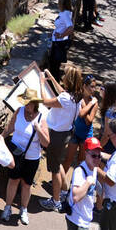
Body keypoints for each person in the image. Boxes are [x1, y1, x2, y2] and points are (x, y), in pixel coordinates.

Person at [42, 138, 102, 230]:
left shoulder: (93, 168)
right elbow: (75, 196)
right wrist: (87, 183)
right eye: (93, 155)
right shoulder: (80, 172)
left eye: (99, 155)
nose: (97, 158)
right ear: (85, 154)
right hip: (77, 221)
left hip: (87, 219)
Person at [1, 87, 48, 225]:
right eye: (25, 102)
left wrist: (38, 129)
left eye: (29, 103)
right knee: (13, 180)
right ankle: (8, 208)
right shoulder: (19, 111)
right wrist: (0, 139)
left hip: (31, 157)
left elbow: (46, 142)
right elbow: (10, 128)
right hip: (16, 154)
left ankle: (24, 209)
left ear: (35, 104)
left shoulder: (41, 118)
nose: (26, 105)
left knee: (26, 184)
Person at [38, 66, 78, 211]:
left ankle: (55, 201)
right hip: (65, 134)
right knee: (58, 162)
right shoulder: (76, 95)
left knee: (54, 169)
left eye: (64, 75)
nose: (62, 77)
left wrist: (42, 82)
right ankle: (64, 190)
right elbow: (62, 91)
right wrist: (51, 78)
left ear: (68, 79)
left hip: (56, 136)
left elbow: (44, 100)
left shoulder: (65, 99)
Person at [48, 0, 74, 79]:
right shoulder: (66, 12)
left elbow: (70, 28)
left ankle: (54, 89)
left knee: (54, 69)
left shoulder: (65, 14)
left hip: (58, 44)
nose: (58, 0)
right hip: (58, 42)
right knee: (55, 68)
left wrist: (61, 35)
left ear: (62, 0)